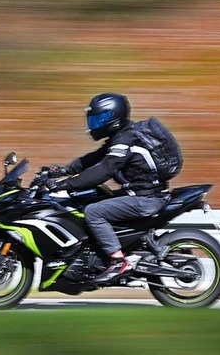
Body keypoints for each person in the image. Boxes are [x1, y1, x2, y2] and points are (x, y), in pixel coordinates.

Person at [47, 93, 171, 285]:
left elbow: (104, 170)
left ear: (114, 117)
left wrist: (65, 184)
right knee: (90, 199)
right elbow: (94, 158)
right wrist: (63, 170)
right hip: (141, 193)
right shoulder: (122, 137)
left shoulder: (125, 140)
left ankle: (118, 261)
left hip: (145, 198)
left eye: (100, 118)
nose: (95, 124)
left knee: (94, 212)